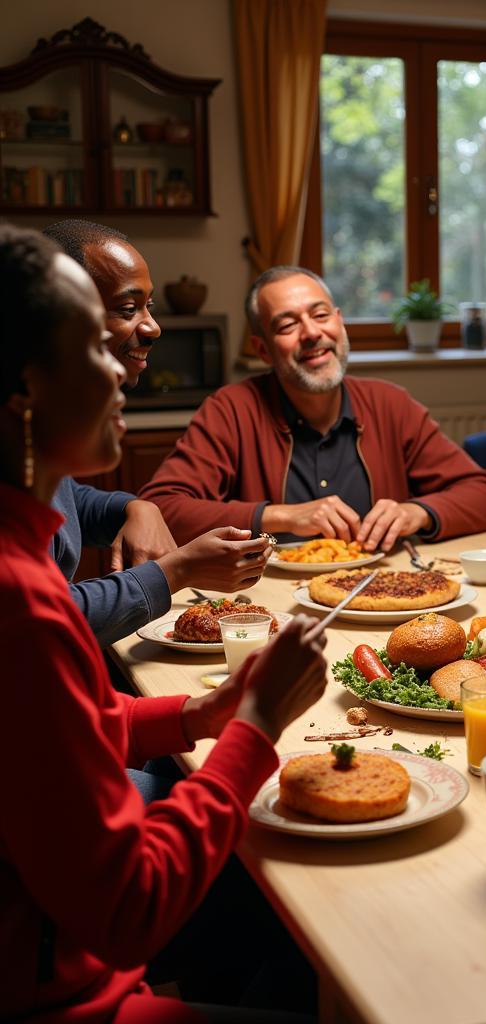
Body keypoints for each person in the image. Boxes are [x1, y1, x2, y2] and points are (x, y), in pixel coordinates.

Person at [0, 223, 328, 1021]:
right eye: (94, 345)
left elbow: (54, 731)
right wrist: (252, 725)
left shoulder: (23, 544)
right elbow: (128, 909)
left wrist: (196, 714)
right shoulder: (21, 603)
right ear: (24, 394)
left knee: (279, 922)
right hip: (69, 998)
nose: (124, 369)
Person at [140, 265, 486, 550]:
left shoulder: (390, 404)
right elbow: (160, 509)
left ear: (340, 323)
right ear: (263, 349)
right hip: (268, 607)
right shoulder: (231, 410)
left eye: (320, 315)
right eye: (287, 324)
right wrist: (280, 516)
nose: (312, 333)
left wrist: (417, 512)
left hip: (381, 597)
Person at [42, 219, 271, 646]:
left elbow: (71, 501)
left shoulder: (34, 452)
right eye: (129, 309)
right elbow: (41, 622)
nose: (153, 328)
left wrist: (134, 507)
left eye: (150, 307)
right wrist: (177, 571)